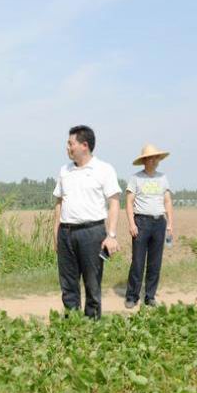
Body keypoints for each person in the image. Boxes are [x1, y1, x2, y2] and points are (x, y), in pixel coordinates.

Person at [53, 125, 121, 319]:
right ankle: (72, 322)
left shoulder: (104, 169)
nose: (67, 147)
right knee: (68, 283)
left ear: (84, 145)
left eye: (70, 143)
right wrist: (56, 233)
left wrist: (111, 235)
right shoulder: (64, 170)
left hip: (92, 233)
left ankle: (92, 324)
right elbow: (59, 203)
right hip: (66, 233)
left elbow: (114, 202)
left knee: (92, 283)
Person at [124, 144, 174, 308]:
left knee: (155, 262)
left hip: (159, 223)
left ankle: (150, 296)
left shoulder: (163, 178)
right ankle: (132, 296)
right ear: (144, 160)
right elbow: (129, 202)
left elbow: (167, 201)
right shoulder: (136, 178)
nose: (153, 160)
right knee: (138, 262)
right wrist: (132, 223)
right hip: (141, 223)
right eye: (150, 158)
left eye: (155, 158)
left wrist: (170, 224)